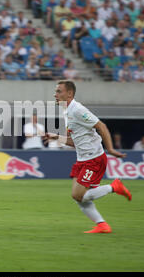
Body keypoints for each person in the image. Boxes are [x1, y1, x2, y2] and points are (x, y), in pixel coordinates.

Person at [44, 80, 132, 234]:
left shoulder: (77, 110)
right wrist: (56, 137)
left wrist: (110, 148)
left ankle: (114, 187)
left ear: (69, 94)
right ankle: (102, 225)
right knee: (78, 197)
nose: (55, 94)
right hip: (82, 159)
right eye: (56, 91)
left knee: (78, 195)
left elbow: (101, 126)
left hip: (94, 159)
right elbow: (75, 142)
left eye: (59, 91)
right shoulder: (67, 111)